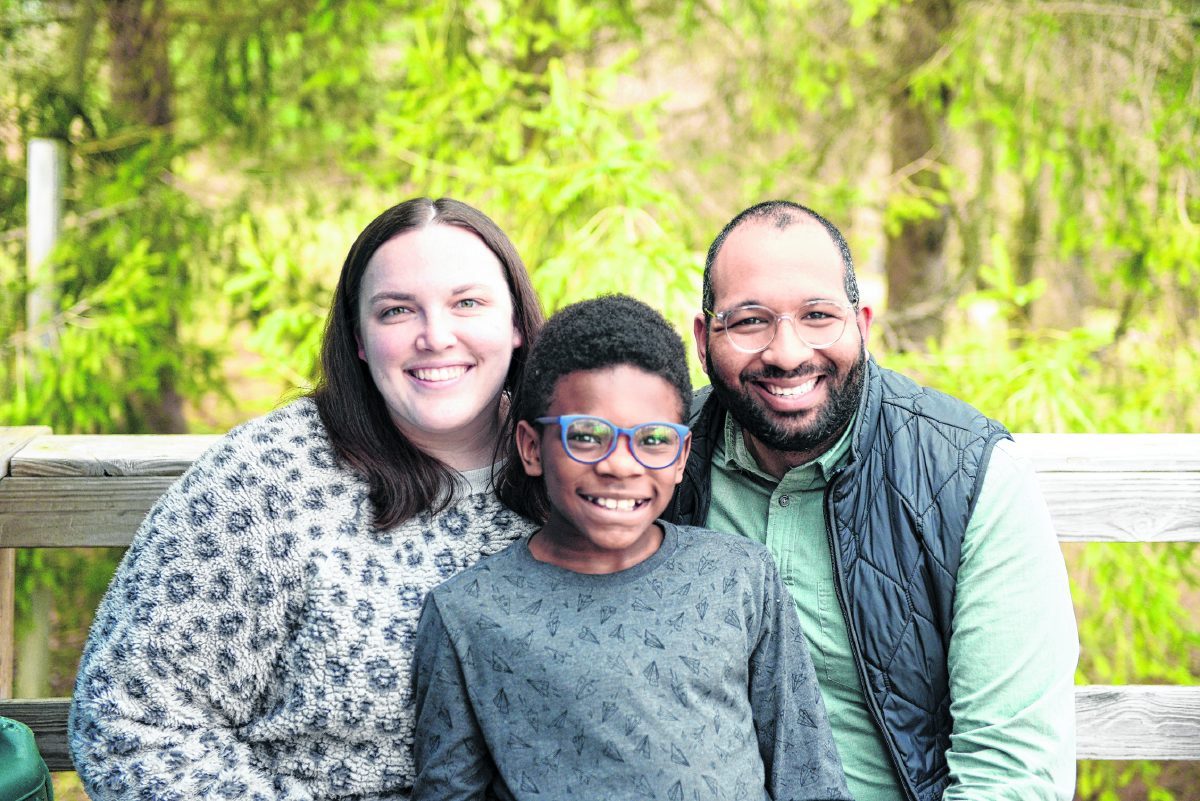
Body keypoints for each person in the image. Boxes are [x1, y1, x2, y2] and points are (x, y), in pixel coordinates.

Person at [68, 197, 544, 800]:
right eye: (397, 311)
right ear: (361, 339)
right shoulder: (268, 479)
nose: (435, 336)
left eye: (468, 303)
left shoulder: (584, 465)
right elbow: (128, 719)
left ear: (517, 323)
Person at [665, 201, 1079, 801]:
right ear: (704, 339)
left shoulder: (968, 477)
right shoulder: (653, 461)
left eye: (817, 315)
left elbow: (1011, 774)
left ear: (861, 324)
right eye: (750, 321)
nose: (786, 352)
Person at [409, 294, 852, 801]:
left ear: (682, 454)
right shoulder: (466, 614)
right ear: (531, 447)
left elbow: (807, 772)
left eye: (654, 440)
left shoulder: (739, 576)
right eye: (588, 436)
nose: (621, 465)